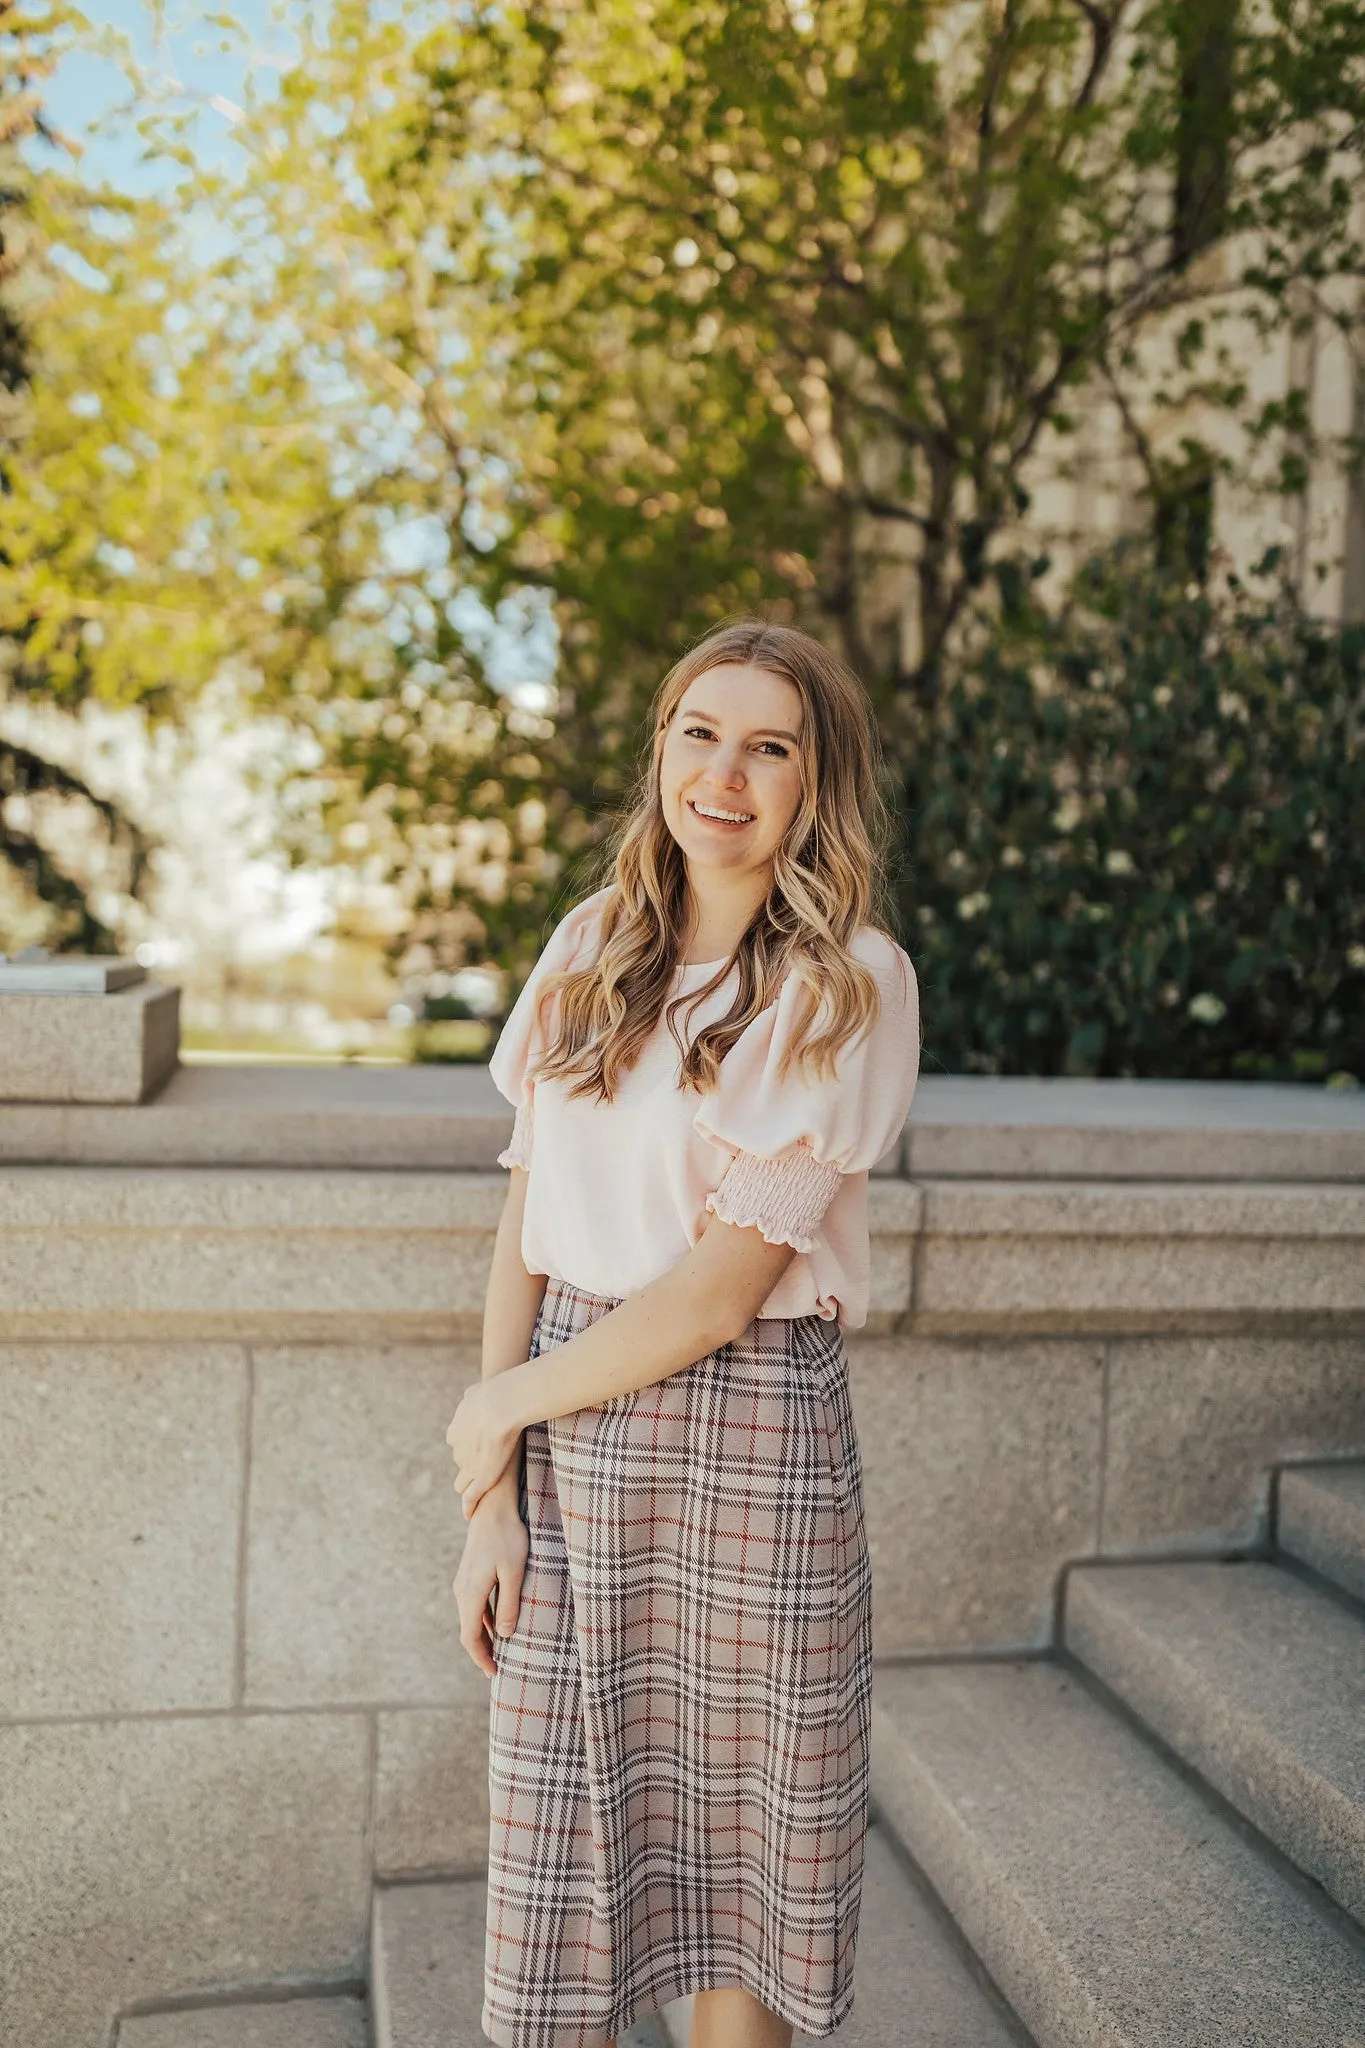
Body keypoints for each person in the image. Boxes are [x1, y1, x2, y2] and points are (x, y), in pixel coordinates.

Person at [445, 618, 921, 2048]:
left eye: (769, 746)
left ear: (812, 783)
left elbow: (721, 1295)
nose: (726, 772)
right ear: (659, 750)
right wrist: (491, 1493)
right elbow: (527, 1229)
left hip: (751, 1437)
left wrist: (503, 1408)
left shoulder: (849, 983)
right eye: (699, 734)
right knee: (554, 1846)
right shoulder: (588, 947)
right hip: (568, 1420)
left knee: (740, 1882)